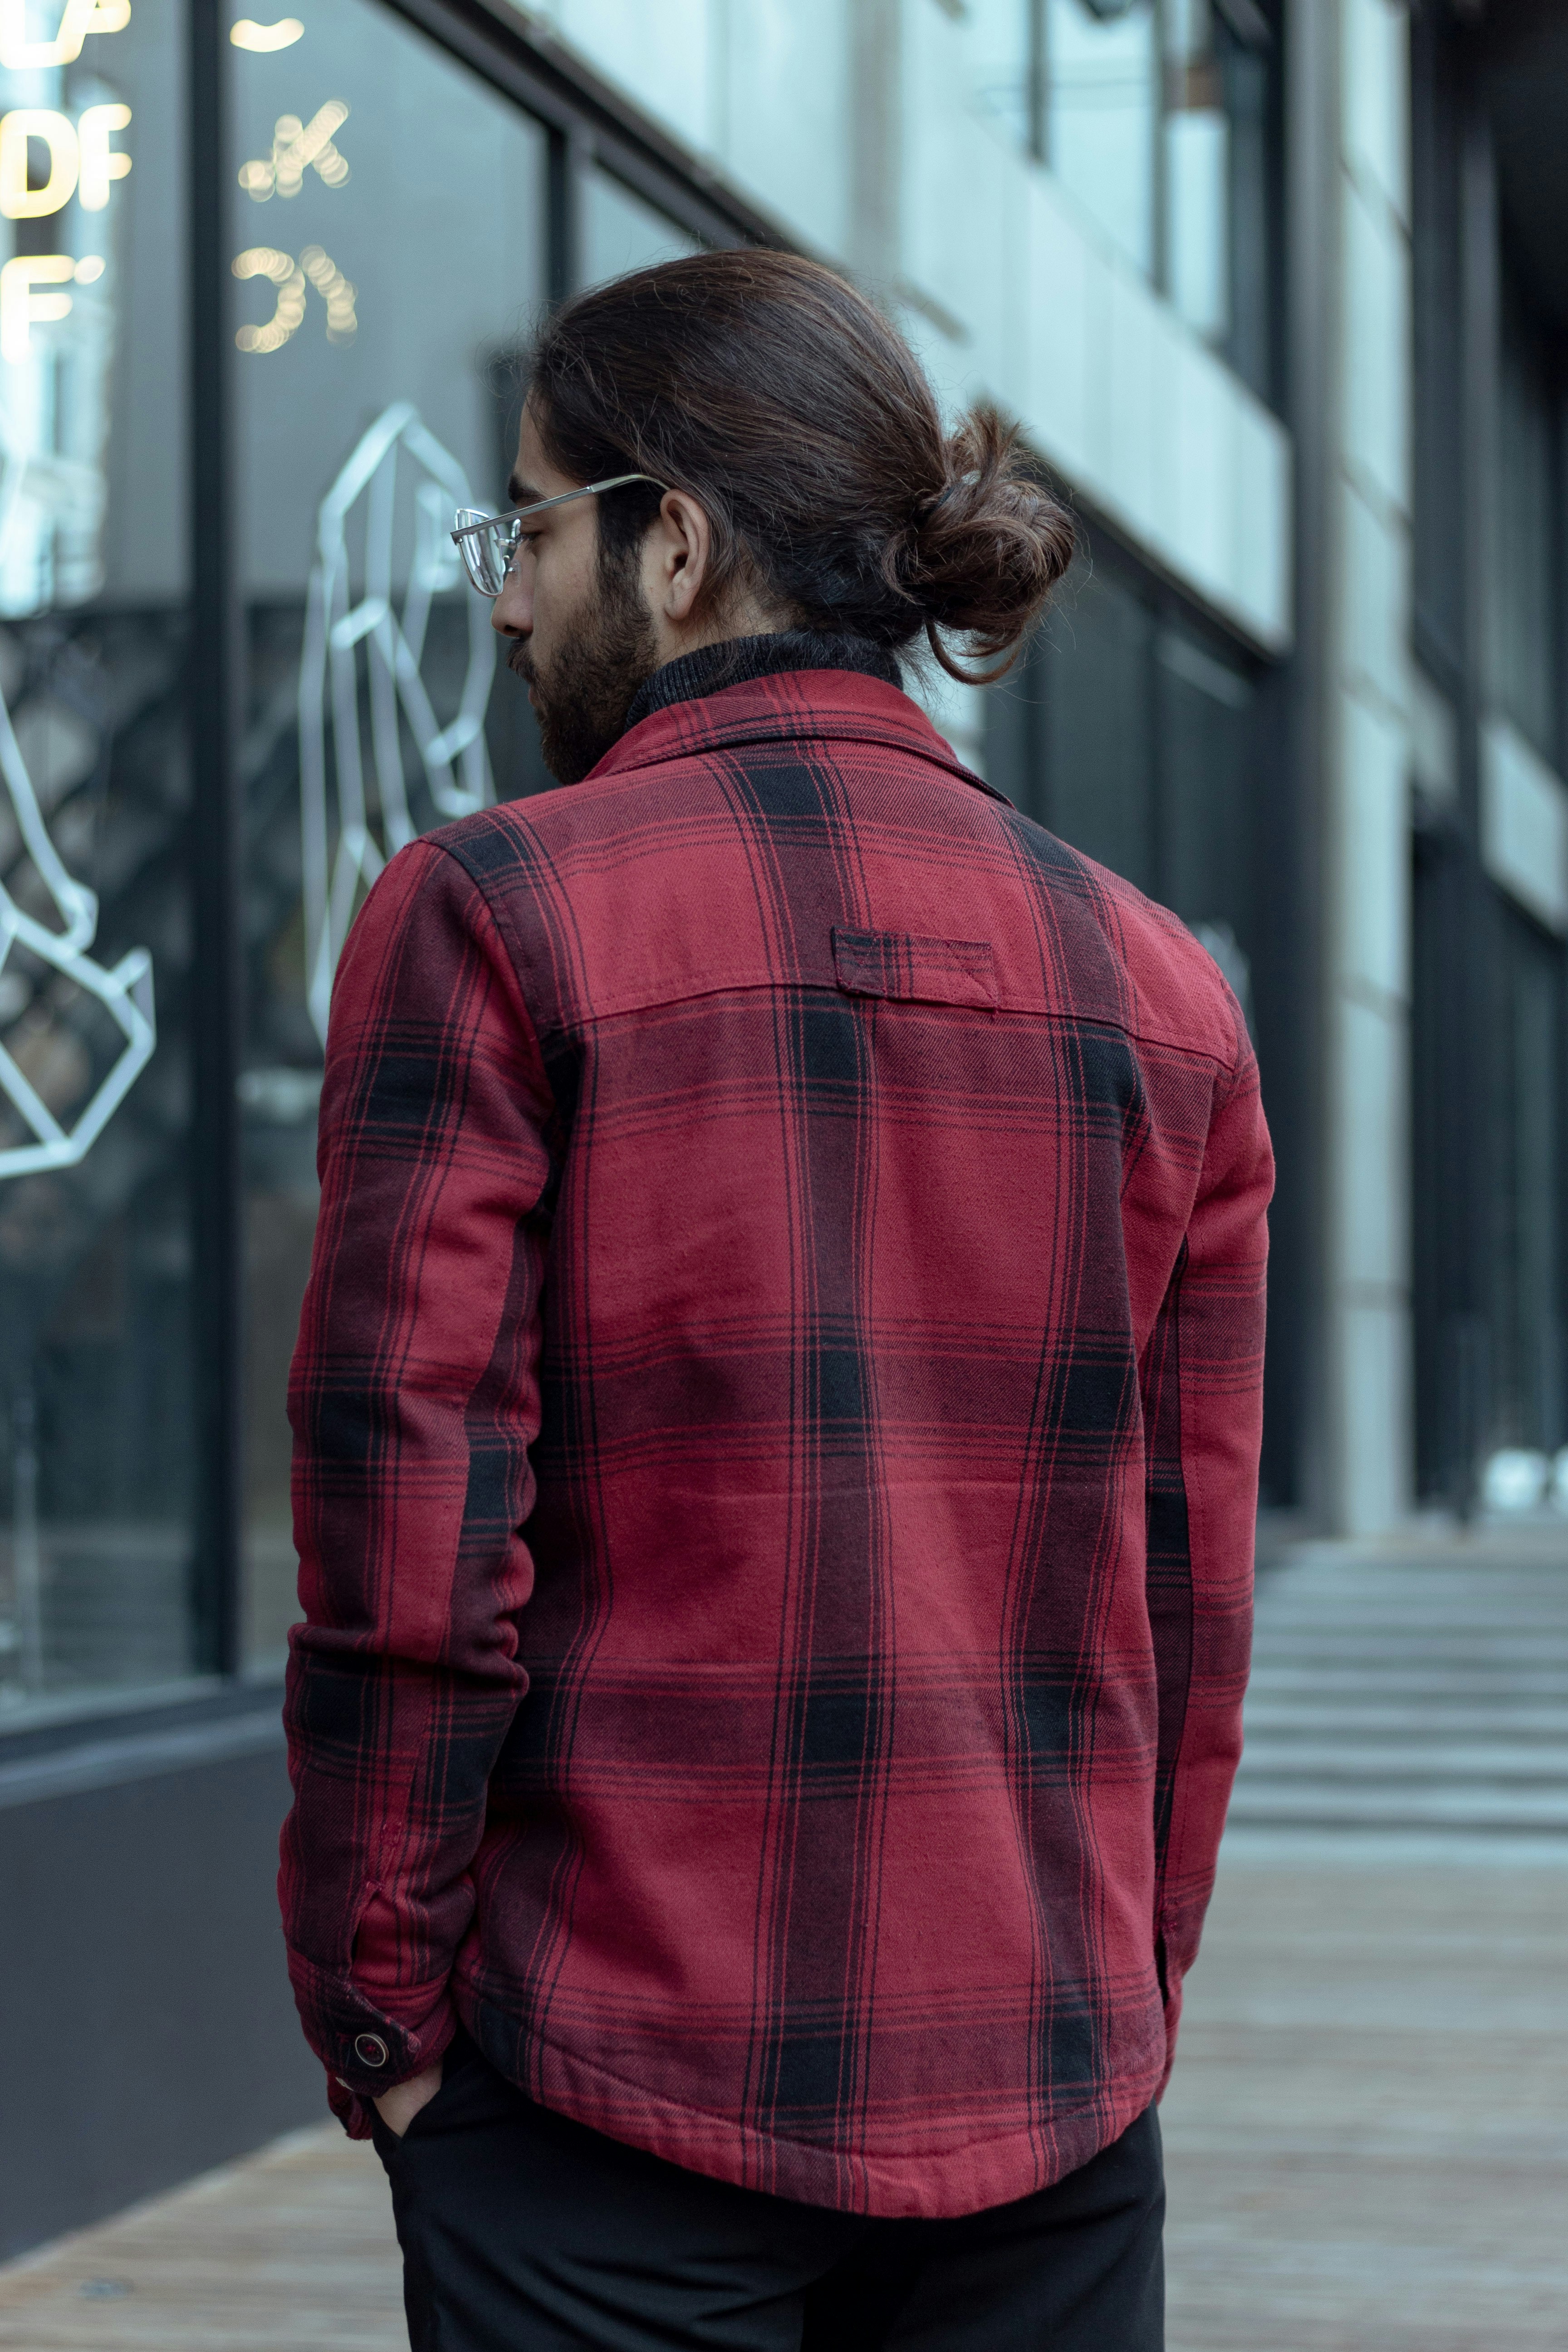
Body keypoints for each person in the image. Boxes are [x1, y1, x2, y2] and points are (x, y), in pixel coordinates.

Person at [279, 248, 1272, 2352]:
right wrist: (1127, 1986)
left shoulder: (490, 917)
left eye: (532, 526)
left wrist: (385, 2023)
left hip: (604, 2112)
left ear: (681, 536)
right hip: (1052, 2107)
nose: (510, 595)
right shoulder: (1161, 985)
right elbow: (1185, 1595)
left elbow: (409, 1533)